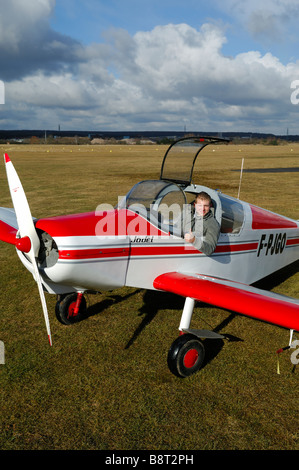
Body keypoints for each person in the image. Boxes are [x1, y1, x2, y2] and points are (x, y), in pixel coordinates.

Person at [184, 191, 220, 256]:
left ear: (210, 206)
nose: (203, 209)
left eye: (206, 206)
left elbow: (210, 249)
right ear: (195, 205)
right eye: (200, 205)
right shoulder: (191, 214)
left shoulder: (212, 224)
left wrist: (194, 240)